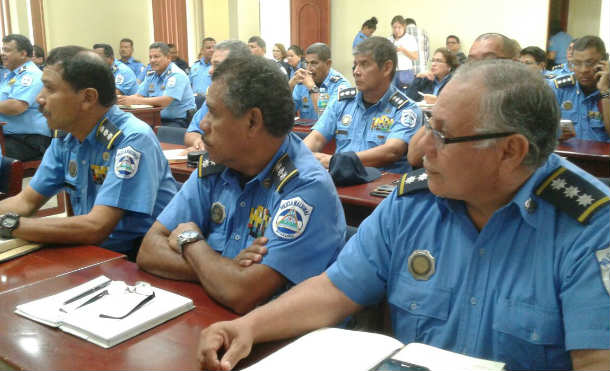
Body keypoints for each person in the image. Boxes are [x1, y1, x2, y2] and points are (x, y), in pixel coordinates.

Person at [197, 59, 610, 371]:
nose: (419, 146)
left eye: (442, 135)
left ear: (511, 151)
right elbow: (334, 290)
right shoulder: (414, 200)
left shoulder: (591, 226)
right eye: (427, 125)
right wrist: (248, 327)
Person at [136, 54, 346, 315]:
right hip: (215, 318)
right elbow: (149, 249)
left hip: (285, 343)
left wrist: (190, 241)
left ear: (252, 121)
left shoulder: (305, 187)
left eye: (212, 113)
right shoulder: (218, 164)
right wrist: (226, 268)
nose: (202, 125)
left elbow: (241, 293)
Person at [0, 46, 177, 260]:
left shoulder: (131, 139)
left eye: (49, 89)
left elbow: (96, 227)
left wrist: (11, 224)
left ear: (88, 98)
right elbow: (26, 201)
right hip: (92, 250)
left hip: (137, 259)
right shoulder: (66, 137)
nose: (39, 98)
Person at [303, 36, 423, 173]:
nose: (356, 72)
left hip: (380, 188)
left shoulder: (406, 109)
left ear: (386, 68)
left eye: (364, 64)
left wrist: (336, 161)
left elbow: (392, 151)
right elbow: (317, 138)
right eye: (355, 65)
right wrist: (301, 156)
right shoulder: (342, 101)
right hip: (340, 181)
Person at [408, 32, 519, 168]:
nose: (478, 68)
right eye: (472, 61)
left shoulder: (522, 102)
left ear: (514, 63)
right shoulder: (463, 100)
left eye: (489, 59)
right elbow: (414, 155)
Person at [183, 40, 251, 151]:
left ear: (239, 67)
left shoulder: (255, 96)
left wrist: (210, 144)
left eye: (217, 65)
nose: (210, 71)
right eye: (211, 64)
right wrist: (199, 141)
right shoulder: (216, 95)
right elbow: (192, 132)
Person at [117, 42, 196, 128]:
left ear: (168, 58)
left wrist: (134, 100)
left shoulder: (176, 74)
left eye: (156, 57)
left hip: (178, 121)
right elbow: (139, 95)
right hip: (155, 119)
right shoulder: (151, 74)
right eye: (150, 57)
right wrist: (123, 100)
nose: (152, 60)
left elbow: (165, 101)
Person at [549, 35, 610, 142]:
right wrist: (555, 134)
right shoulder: (559, 88)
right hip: (567, 156)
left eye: (590, 63)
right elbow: (539, 130)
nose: (583, 70)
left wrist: (605, 92)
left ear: (604, 60)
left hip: (603, 158)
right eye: (577, 63)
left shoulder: (607, 89)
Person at [0, 34, 51, 161]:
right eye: (2, 49)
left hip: (28, 140)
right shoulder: (11, 76)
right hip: (9, 136)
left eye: (7, 50)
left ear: (23, 54)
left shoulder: (30, 75)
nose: (2, 54)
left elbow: (17, 106)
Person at [290, 42, 350, 120]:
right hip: (304, 131)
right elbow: (285, 113)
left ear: (328, 64)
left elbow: (326, 119)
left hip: (328, 132)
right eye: (306, 63)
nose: (308, 68)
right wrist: (290, 85)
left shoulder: (340, 85)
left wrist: (312, 88)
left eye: (314, 63)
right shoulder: (303, 81)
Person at [388, 15, 418, 89]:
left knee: (406, 95)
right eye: (394, 27)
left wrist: (403, 50)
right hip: (391, 72)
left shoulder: (410, 39)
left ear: (404, 27)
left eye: (399, 27)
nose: (397, 30)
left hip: (406, 72)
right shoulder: (389, 39)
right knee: (391, 94)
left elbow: (415, 57)